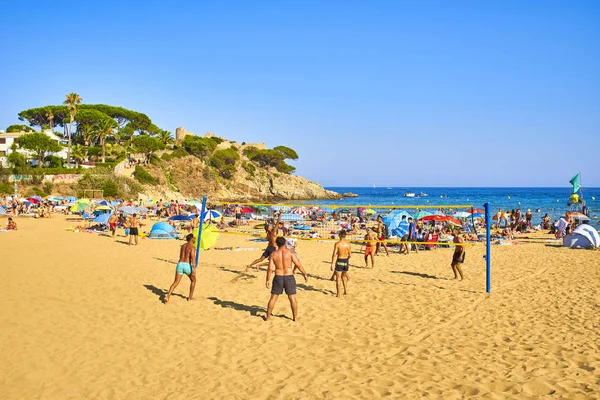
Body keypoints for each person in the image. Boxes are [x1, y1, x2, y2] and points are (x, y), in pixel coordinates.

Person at [265, 237, 308, 322]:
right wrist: (304, 274)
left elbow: (270, 268)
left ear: (277, 244)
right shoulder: (290, 253)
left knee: (273, 297)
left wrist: (267, 280)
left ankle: (268, 317)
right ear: (285, 243)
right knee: (292, 297)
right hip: (289, 276)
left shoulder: (273, 254)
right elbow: (298, 264)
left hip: (278, 276)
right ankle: (295, 318)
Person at [163, 234, 197, 303]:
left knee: (175, 282)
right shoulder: (192, 247)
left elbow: (180, 256)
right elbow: (193, 258)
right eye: (194, 238)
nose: (195, 239)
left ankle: (168, 296)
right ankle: (190, 297)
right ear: (191, 239)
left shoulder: (183, 246)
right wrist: (194, 269)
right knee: (193, 281)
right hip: (187, 265)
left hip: (180, 264)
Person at [330, 230, 351, 297]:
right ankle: (345, 291)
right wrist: (347, 259)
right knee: (343, 277)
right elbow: (350, 255)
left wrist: (332, 263)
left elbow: (334, 254)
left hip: (339, 260)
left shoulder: (337, 244)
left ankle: (338, 294)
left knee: (338, 278)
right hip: (345, 261)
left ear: (339, 235)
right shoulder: (348, 244)